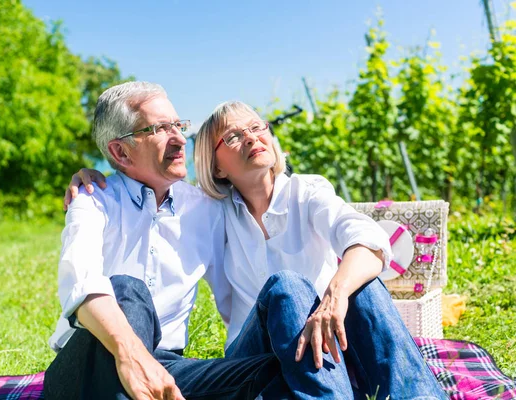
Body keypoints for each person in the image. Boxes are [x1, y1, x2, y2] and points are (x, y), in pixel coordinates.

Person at [69, 100, 448, 399]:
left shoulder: (307, 190)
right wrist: (87, 178)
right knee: (288, 287)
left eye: (256, 127)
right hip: (254, 354)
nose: (251, 137)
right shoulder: (211, 211)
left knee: (359, 277)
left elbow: (368, 239)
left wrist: (335, 294)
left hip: (330, 344)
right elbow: (147, 193)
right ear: (216, 167)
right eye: (233, 137)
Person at [45, 82, 283, 400]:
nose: (179, 139)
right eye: (160, 128)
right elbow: (82, 285)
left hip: (169, 366)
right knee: (127, 290)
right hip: (91, 362)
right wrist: (133, 358)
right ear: (119, 151)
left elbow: (236, 298)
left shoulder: (208, 209)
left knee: (276, 371)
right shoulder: (93, 199)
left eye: (177, 125)